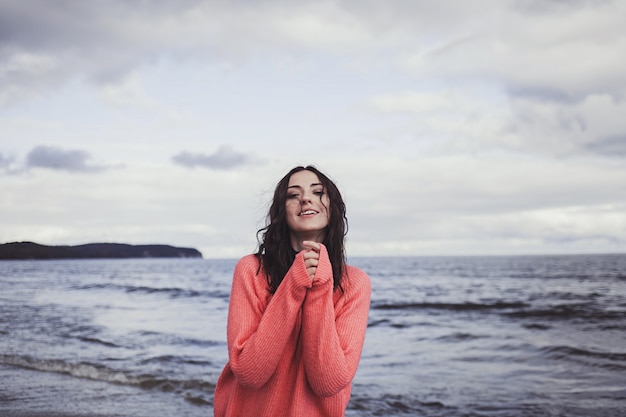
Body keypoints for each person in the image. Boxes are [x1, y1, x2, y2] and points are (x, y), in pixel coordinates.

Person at [214, 165, 371, 417]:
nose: (306, 198)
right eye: (293, 194)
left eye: (318, 192)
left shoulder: (354, 283)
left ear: (334, 206)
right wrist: (293, 285)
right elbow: (249, 373)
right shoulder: (252, 270)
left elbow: (328, 383)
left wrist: (320, 287)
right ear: (281, 211)